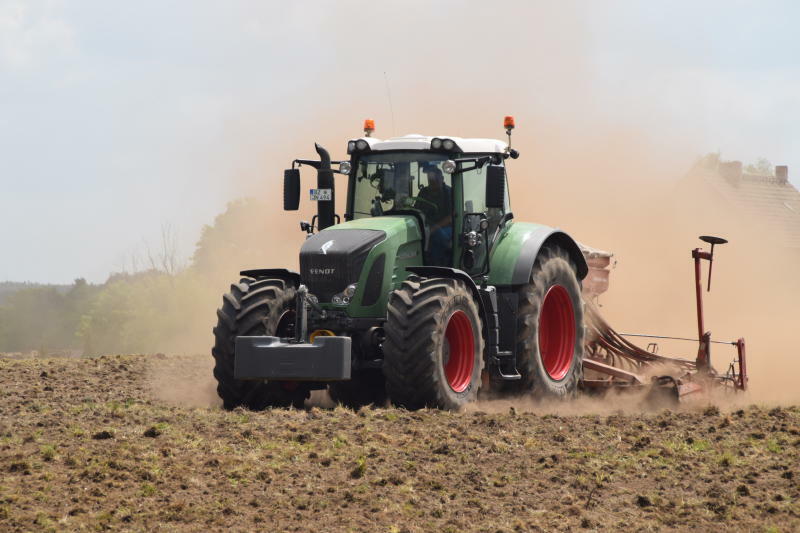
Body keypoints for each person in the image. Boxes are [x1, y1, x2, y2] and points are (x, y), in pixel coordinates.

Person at [417, 165, 453, 265]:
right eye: (430, 180)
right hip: (426, 227)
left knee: (437, 235)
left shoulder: (449, 192)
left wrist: (434, 228)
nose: (432, 182)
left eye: (435, 179)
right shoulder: (423, 192)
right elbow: (416, 211)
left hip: (448, 228)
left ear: (442, 179)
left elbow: (451, 217)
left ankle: (437, 267)